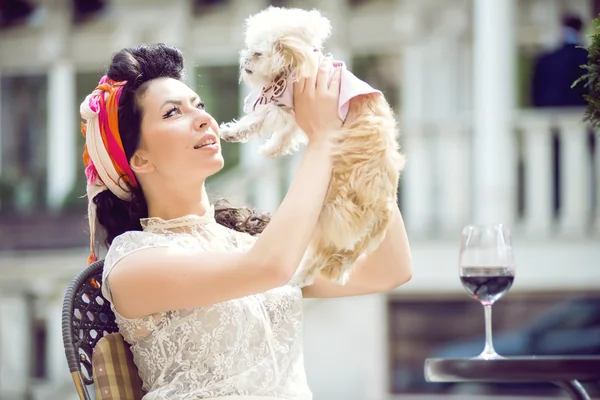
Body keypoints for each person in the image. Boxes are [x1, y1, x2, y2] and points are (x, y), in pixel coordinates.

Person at [80, 43, 412, 400]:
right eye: (173, 112)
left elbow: (388, 269)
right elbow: (270, 268)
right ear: (139, 159)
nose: (203, 118)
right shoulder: (132, 262)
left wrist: (361, 132)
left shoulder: (242, 242)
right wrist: (322, 140)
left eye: (199, 105)